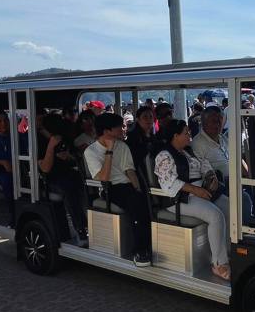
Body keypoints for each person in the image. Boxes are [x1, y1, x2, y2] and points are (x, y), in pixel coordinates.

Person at [154, 119, 231, 280]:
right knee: (215, 216)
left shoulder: (188, 151)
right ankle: (218, 263)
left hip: (201, 192)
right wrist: (196, 190)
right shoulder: (164, 155)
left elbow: (204, 165)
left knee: (229, 207)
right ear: (175, 136)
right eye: (186, 133)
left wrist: (211, 177)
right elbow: (169, 182)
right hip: (180, 198)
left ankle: (227, 251)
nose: (189, 135)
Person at [84, 113, 152, 265]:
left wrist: (138, 189)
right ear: (107, 131)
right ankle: (140, 250)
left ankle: (148, 244)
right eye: (119, 127)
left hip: (127, 185)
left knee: (143, 201)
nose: (123, 129)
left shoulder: (123, 146)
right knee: (135, 204)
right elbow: (103, 177)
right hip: (110, 187)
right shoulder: (91, 151)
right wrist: (109, 151)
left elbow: (130, 171)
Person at [38, 112, 88, 243]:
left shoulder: (65, 138)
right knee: (69, 188)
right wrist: (51, 146)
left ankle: (90, 222)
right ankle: (81, 228)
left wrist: (69, 156)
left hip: (69, 173)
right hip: (50, 178)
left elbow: (74, 158)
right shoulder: (39, 141)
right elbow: (45, 168)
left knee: (84, 184)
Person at [125, 105, 156, 173]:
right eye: (145, 117)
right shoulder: (132, 139)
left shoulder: (154, 138)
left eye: (151, 117)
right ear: (138, 119)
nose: (149, 120)